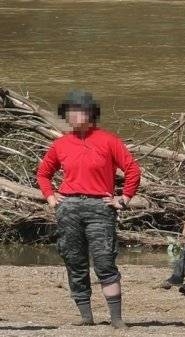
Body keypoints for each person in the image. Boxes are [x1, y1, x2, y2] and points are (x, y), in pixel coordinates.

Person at [36, 90, 141, 329]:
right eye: (69, 112)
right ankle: (86, 318)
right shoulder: (60, 143)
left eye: (77, 111)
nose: (72, 116)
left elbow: (133, 170)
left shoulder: (109, 140)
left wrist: (123, 199)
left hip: (100, 208)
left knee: (105, 261)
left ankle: (116, 319)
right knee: (74, 261)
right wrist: (51, 198)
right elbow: (43, 174)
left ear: (91, 114)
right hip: (69, 208)